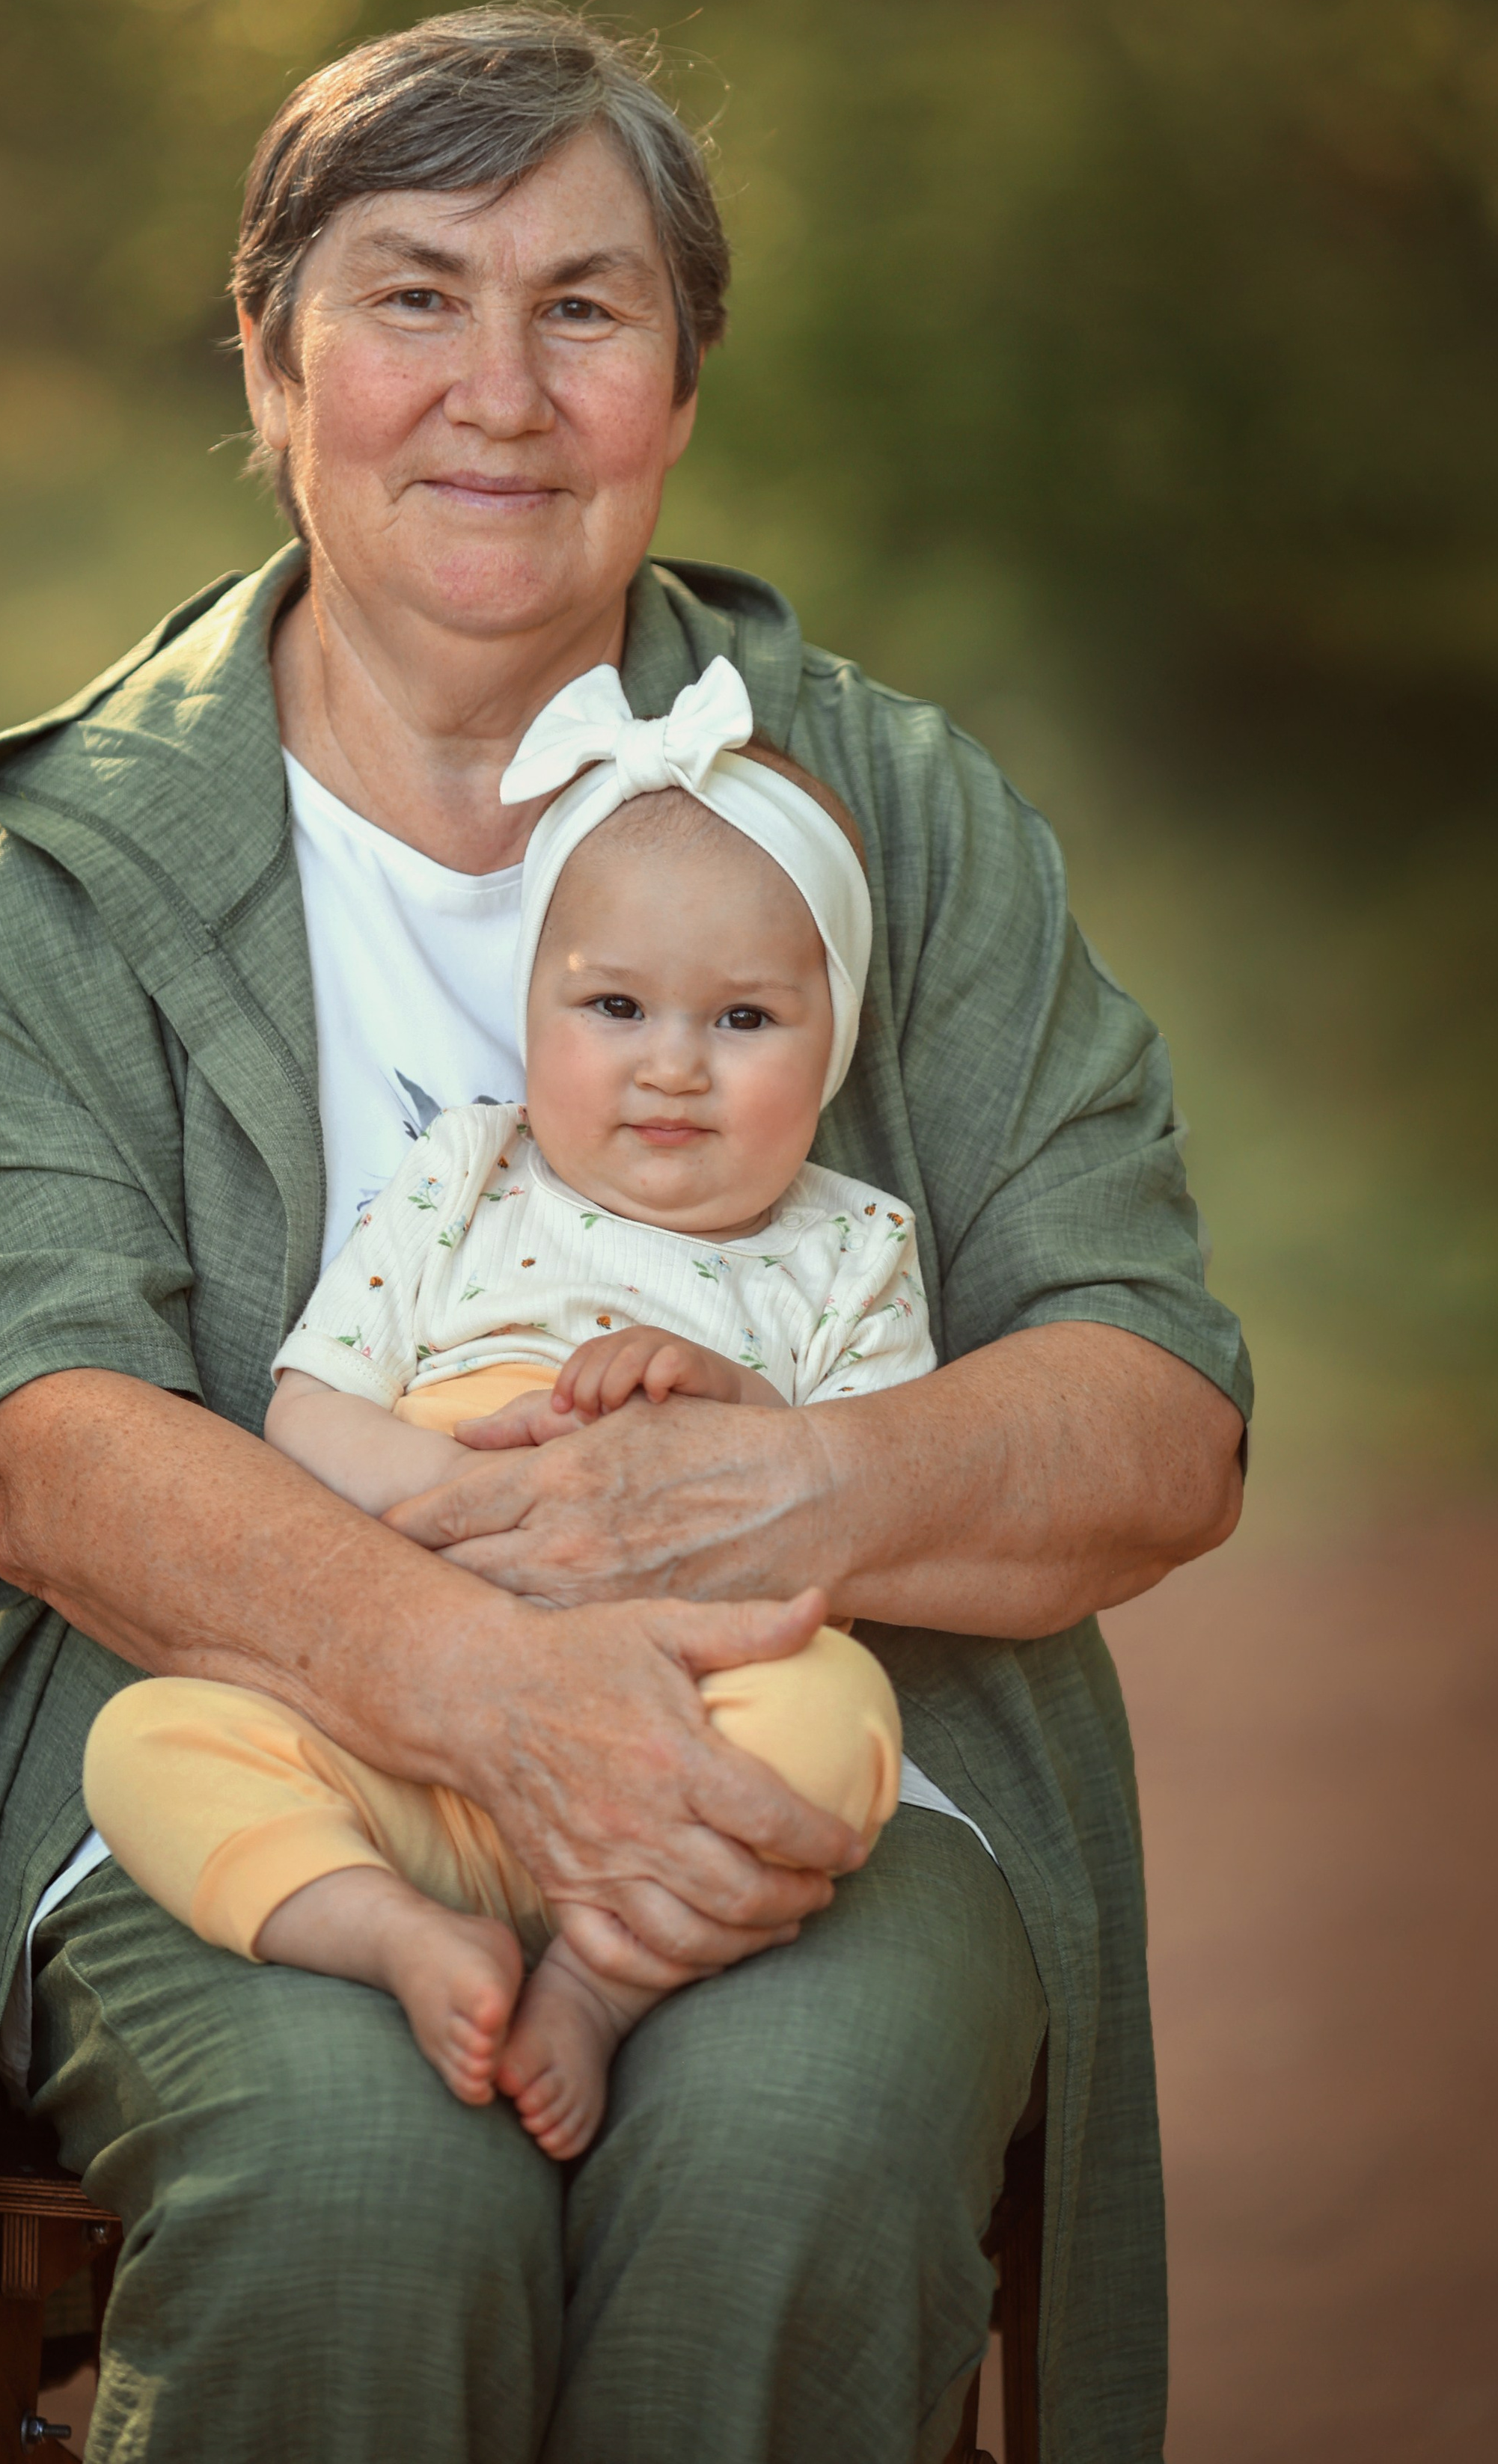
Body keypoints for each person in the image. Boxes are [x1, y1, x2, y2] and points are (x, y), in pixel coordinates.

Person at [0, 3, 1250, 2464]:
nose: (498, 393)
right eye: (414, 294)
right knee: (351, 2182)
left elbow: (1157, 1410)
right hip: (268, 1748)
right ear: (271, 354)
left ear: (681, 384)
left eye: (586, 307)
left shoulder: (901, 819)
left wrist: (801, 1491)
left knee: (790, 2153)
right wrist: (473, 1685)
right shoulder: (62, 861)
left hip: (821, 1748)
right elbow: (45, 1444)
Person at [85, 659, 929, 2161]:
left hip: (686, 1733)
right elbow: (308, 1412)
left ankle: (598, 1980)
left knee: (839, 1720)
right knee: (150, 1742)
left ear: (835, 1039)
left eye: (741, 1018)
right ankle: (392, 1932)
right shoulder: (465, 1175)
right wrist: (467, 1507)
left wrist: (725, 1410)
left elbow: (870, 1503)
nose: (669, 1063)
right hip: (403, 1724)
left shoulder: (848, 1246)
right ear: (530, 1006)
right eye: (612, 1005)